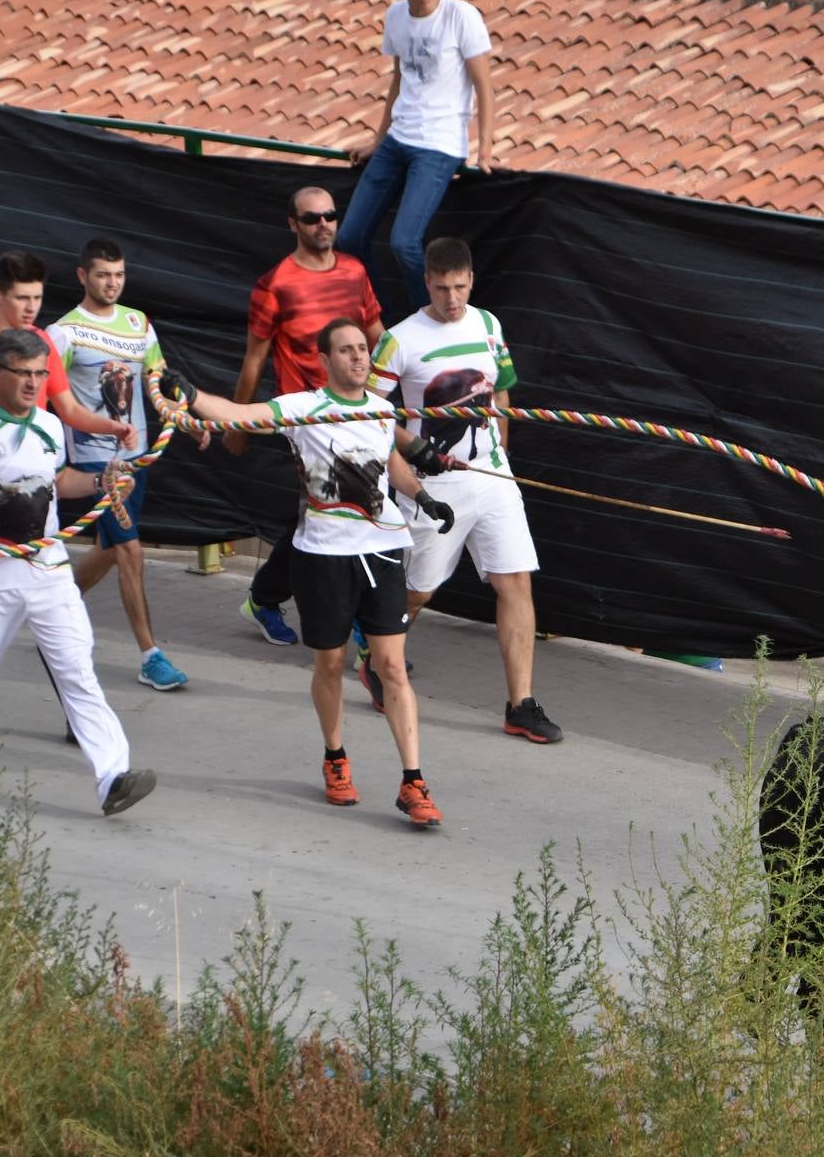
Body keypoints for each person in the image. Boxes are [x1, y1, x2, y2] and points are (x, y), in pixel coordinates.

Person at [174, 318, 455, 826]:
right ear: (324, 361)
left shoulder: (381, 408)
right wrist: (189, 392)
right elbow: (237, 414)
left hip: (383, 549)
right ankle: (335, 758)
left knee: (391, 667)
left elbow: (390, 457)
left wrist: (422, 495)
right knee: (329, 664)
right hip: (322, 555)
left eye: (363, 350)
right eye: (346, 351)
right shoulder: (302, 409)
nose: (358, 358)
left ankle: (414, 781)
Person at [0, 329, 155, 815]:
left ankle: (113, 778)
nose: (34, 382)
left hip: (48, 570)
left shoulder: (47, 424)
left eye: (41, 373)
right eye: (24, 373)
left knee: (78, 670)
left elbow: (59, 481)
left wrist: (102, 481)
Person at [0, 252, 134, 715]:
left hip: (38, 480)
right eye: (21, 298)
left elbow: (67, 409)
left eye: (37, 297)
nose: (32, 307)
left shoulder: (40, 344)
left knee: (38, 599)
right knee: (12, 599)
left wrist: (111, 428)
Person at [368, 237, 561, 745]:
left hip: (493, 478)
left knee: (515, 581)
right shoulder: (399, 339)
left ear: (471, 280)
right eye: (440, 288)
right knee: (422, 587)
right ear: (426, 282)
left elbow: (501, 388)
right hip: (435, 483)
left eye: (459, 287)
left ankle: (520, 705)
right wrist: (413, 450)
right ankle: (377, 657)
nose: (451, 298)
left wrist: (500, 452)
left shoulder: (489, 324)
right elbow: (365, 414)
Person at [233, 188, 382, 648]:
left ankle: (265, 597)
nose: (323, 225)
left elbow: (378, 338)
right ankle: (359, 627)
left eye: (330, 216)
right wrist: (236, 425)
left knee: (325, 519)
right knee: (332, 515)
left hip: (357, 415)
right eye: (312, 218)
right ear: (292, 224)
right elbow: (254, 360)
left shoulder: (355, 271)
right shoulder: (275, 283)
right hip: (307, 426)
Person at [47, 237, 193, 692]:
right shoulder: (64, 332)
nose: (112, 283)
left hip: (140, 457)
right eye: (103, 275)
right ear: (83, 276)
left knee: (111, 548)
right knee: (130, 550)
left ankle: (51, 604)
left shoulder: (138, 323)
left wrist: (187, 419)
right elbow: (59, 402)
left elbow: (157, 382)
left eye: (119, 275)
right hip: (97, 463)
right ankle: (150, 655)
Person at [337, 0, 495, 314]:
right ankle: (383, 316)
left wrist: (485, 148)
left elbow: (484, 85)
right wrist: (379, 139)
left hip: (440, 144)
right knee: (349, 237)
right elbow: (399, 78)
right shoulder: (395, 16)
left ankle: (429, 319)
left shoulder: (461, 16)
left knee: (403, 241)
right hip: (399, 138)